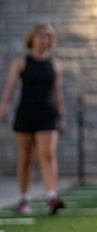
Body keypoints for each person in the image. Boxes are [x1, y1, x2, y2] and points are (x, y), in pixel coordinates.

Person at [0, 23, 66, 215]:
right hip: (26, 113)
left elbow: (57, 93)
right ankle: (23, 198)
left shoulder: (55, 64)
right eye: (40, 36)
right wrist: (3, 105)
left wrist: (62, 117)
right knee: (26, 159)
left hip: (48, 114)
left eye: (47, 36)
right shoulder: (21, 61)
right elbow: (10, 86)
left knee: (47, 154)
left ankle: (51, 196)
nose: (43, 39)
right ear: (32, 38)